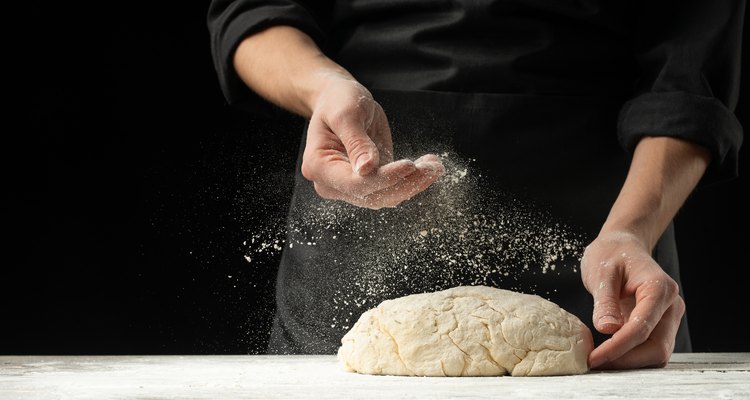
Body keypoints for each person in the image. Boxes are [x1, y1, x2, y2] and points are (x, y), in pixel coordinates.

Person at [207, 1, 745, 369]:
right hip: (358, 190)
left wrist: (631, 231)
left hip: (604, 235)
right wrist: (324, 86)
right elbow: (253, 11)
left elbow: (686, 79)